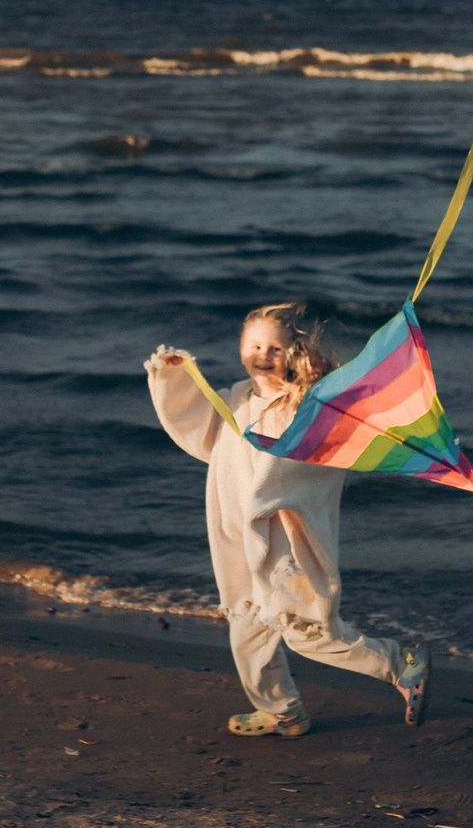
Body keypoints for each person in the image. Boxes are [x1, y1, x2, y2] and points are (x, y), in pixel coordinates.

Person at [146, 302, 430, 738]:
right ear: (240, 347)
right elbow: (206, 432)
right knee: (247, 630)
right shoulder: (240, 395)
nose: (263, 354)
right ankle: (283, 710)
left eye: (274, 348)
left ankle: (400, 664)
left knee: (305, 631)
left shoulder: (303, 408)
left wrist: (267, 494)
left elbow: (310, 468)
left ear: (293, 352)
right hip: (240, 534)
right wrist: (173, 379)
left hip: (284, 543)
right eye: (254, 345)